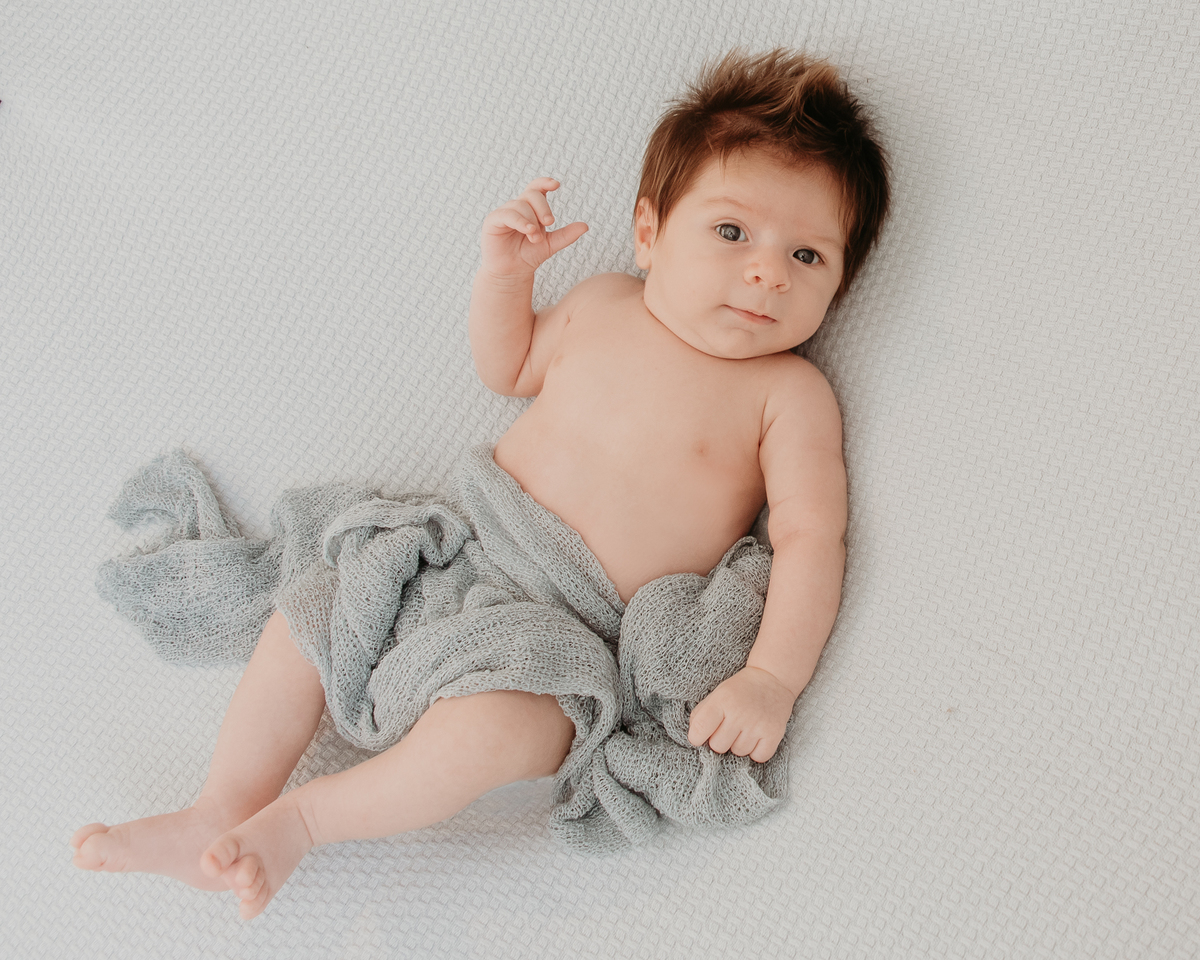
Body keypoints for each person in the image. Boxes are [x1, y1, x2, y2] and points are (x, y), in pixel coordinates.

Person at [70, 47, 890, 920]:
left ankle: (302, 823)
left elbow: (810, 540)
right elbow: (508, 366)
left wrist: (770, 678)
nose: (768, 272)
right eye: (732, 232)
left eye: (808, 256)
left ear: (839, 289)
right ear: (649, 232)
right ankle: (220, 805)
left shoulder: (789, 396)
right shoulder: (602, 304)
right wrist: (506, 277)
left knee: (491, 736)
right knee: (310, 608)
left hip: (569, 637)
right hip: (462, 553)